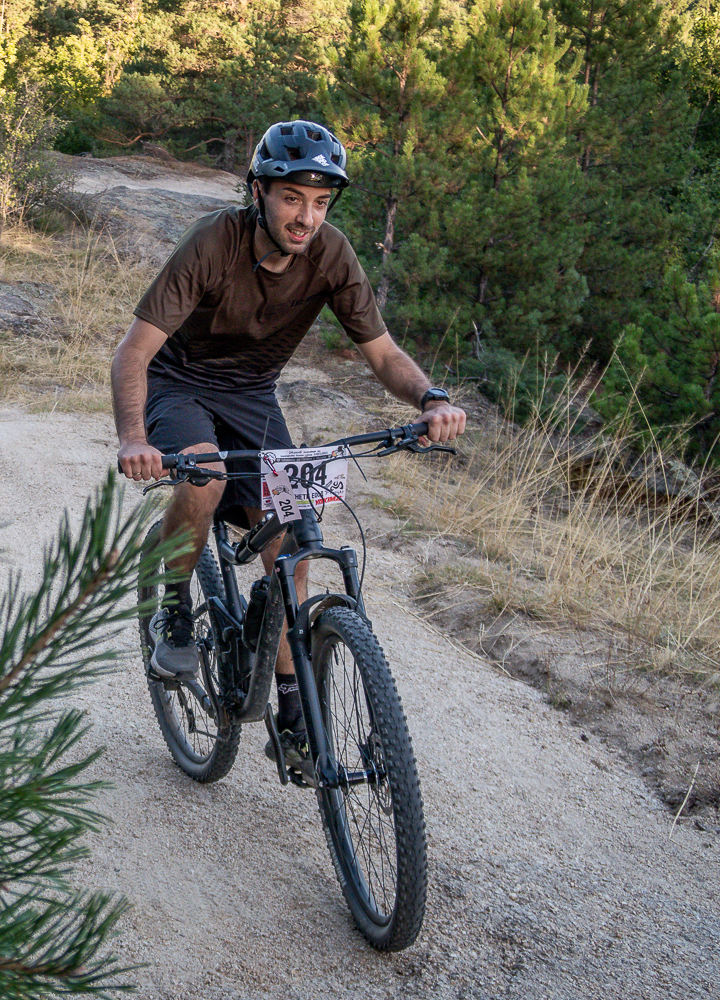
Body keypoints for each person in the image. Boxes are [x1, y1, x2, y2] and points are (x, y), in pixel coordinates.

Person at [112, 119, 466, 761]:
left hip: (252, 395)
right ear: (259, 192)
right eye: (292, 198)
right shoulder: (213, 242)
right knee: (207, 477)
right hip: (179, 383)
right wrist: (134, 439)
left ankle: (295, 715)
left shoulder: (332, 255)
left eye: (321, 202)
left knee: (290, 547)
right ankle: (174, 605)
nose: (306, 217)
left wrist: (431, 399)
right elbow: (133, 354)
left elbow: (384, 354)